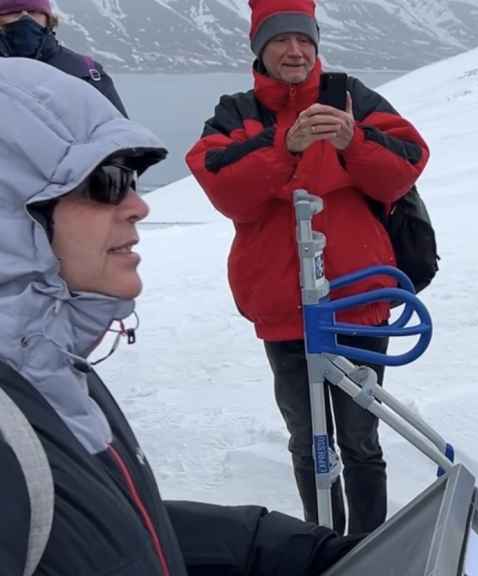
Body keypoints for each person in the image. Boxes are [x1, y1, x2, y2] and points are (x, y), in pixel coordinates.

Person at [0, 57, 361, 576]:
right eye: (105, 181)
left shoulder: (52, 368)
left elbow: (108, 531)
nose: (137, 206)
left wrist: (285, 550)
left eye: (132, 179)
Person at [186, 0, 429, 534]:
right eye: (280, 40)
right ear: (260, 48)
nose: (295, 51)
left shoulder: (350, 99)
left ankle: (368, 548)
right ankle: (320, 546)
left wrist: (352, 139)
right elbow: (225, 189)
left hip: (355, 303)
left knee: (360, 438)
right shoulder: (237, 112)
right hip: (284, 307)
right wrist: (284, 145)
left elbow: (405, 165)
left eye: (304, 40)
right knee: (308, 440)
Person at [0, 0, 127, 115]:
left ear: (48, 18)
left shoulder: (87, 71)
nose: (25, 17)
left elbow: (120, 131)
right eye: (14, 12)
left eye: (33, 12)